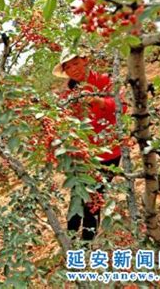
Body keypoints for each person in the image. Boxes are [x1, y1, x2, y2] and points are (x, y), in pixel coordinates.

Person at [53, 50, 126, 241]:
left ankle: (86, 244)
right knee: (77, 197)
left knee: (94, 200)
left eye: (75, 63)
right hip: (82, 156)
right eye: (67, 67)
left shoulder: (104, 81)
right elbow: (61, 121)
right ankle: (71, 241)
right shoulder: (69, 95)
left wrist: (99, 101)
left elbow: (122, 105)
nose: (72, 69)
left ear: (85, 61)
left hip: (108, 153)